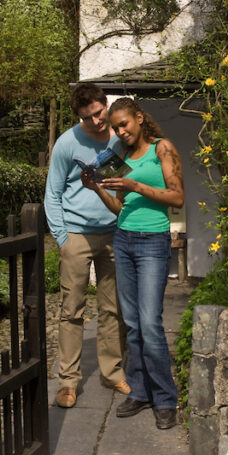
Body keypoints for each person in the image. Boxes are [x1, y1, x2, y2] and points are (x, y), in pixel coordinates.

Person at [82, 97, 183, 430]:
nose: (120, 131)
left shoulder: (162, 149)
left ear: (140, 119)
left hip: (153, 242)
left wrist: (135, 184)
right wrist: (97, 187)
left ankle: (166, 399)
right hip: (123, 240)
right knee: (133, 324)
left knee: (150, 323)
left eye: (124, 124)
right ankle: (140, 392)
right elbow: (119, 209)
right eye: (115, 127)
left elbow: (177, 197)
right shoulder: (120, 157)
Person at [45, 83, 129, 408]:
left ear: (104, 103)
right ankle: (68, 381)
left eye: (99, 112)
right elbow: (52, 194)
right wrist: (63, 240)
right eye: (88, 117)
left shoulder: (117, 139)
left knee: (112, 308)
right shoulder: (67, 144)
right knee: (71, 311)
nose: (96, 121)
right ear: (79, 116)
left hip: (112, 234)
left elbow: (122, 186)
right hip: (76, 236)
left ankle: (112, 371)